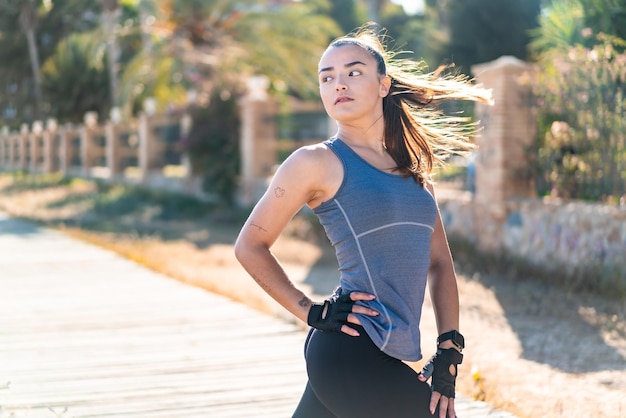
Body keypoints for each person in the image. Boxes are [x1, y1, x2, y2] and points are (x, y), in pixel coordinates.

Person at [234, 25, 492, 418]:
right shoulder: (315, 162)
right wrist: (309, 310)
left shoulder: (415, 172)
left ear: (383, 85)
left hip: (376, 354)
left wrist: (449, 349)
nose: (338, 83)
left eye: (353, 72)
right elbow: (249, 246)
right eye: (327, 77)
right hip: (347, 351)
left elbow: (439, 263)